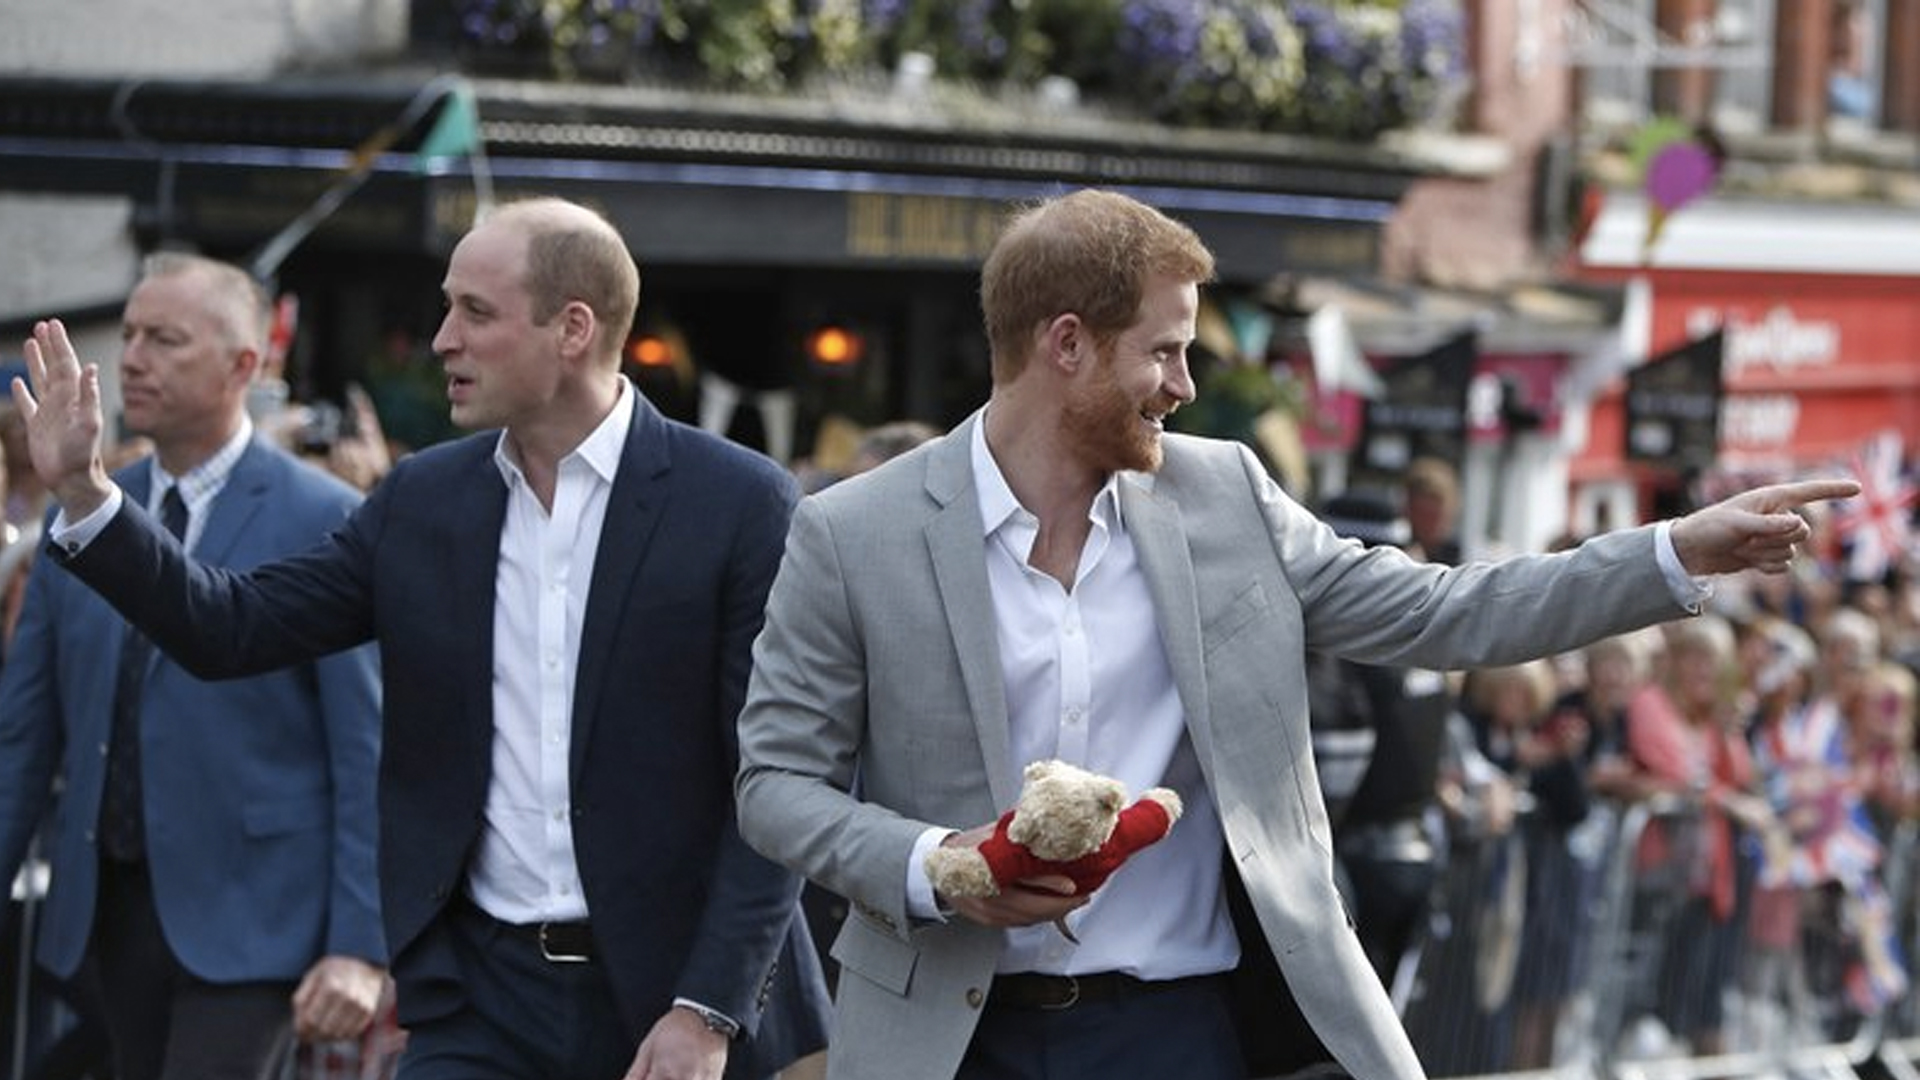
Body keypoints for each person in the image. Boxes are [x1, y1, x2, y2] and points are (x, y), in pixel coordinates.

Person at [730, 188, 1859, 1080]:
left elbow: (1440, 608)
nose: (1182, 384)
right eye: (1163, 353)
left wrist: (1669, 553)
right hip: (943, 1041)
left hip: (1181, 1031)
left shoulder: (1226, 495)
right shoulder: (851, 532)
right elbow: (776, 783)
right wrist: (937, 866)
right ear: (1064, 344)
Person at [11, 197, 830, 1080]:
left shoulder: (738, 502)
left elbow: (773, 786)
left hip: (671, 1002)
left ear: (573, 329)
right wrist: (90, 497)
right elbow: (228, 627)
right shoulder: (421, 501)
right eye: (448, 307)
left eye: (476, 312)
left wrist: (707, 1011)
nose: (442, 339)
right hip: (478, 1003)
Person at [0, 252, 387, 1080]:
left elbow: (367, 749)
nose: (132, 357)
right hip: (100, 918)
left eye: (165, 339)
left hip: (257, 921)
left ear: (244, 365)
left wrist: (360, 946)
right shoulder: (85, 510)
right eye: (130, 334)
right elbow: (23, 733)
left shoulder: (327, 516)